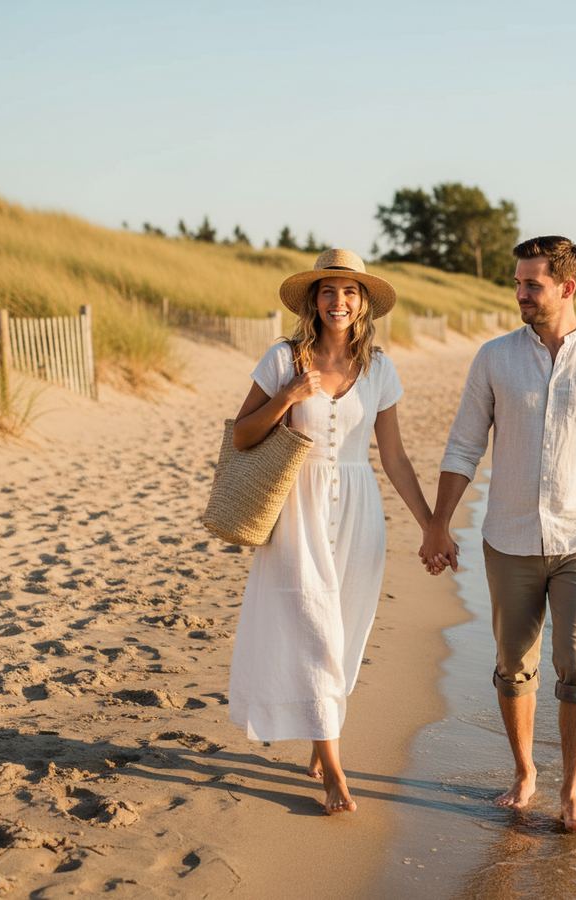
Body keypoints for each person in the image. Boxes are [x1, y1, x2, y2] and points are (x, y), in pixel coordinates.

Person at [421, 236, 576, 832]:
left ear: (566, 288)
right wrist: (438, 522)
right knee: (513, 664)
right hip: (510, 538)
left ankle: (573, 791)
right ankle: (525, 771)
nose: (520, 293)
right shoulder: (495, 357)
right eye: (518, 282)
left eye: (532, 285)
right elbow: (464, 444)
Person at [228, 249, 433, 815]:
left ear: (363, 301)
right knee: (316, 628)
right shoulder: (283, 358)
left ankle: (322, 736)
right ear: (312, 301)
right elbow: (242, 436)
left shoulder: (381, 368)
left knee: (345, 631)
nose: (337, 301)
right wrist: (287, 398)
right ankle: (334, 770)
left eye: (349, 291)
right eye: (327, 291)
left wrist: (431, 524)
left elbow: (393, 457)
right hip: (297, 507)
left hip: (360, 508)